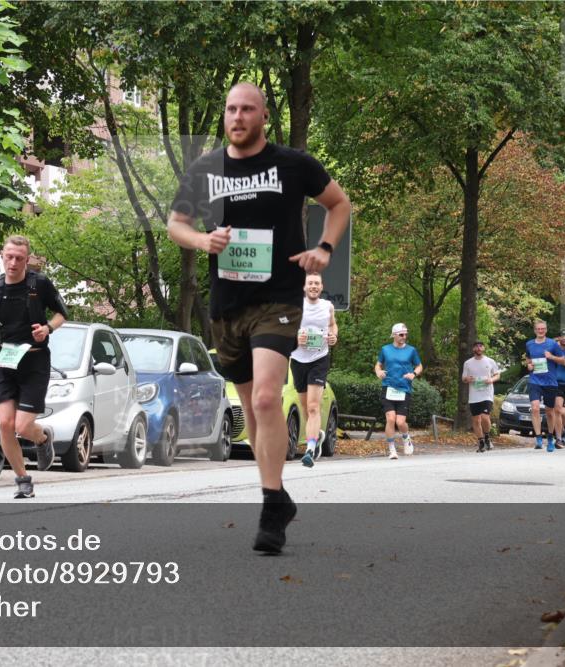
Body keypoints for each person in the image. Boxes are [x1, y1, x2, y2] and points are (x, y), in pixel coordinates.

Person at [167, 81, 351, 554]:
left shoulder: (294, 165)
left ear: (264, 117)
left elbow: (339, 204)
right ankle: (279, 495)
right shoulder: (206, 169)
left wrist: (325, 249)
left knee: (269, 399)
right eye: (231, 109)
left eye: (247, 109)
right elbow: (175, 224)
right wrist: (202, 242)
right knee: (250, 409)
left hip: (280, 298)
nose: (237, 116)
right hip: (228, 305)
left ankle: (271, 507)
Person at [0, 236, 68, 498]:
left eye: (19, 258)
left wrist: (48, 328)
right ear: (2, 257)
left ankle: (42, 439)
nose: (13, 262)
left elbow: (62, 313)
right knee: (4, 423)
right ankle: (23, 479)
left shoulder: (39, 284)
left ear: (27, 260)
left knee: (22, 427)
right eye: (9, 257)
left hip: (35, 361)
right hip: (6, 362)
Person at [288, 272, 337, 468]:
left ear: (321, 286)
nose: (314, 286)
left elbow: (333, 326)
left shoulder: (328, 307)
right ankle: (317, 435)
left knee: (313, 407)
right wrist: (295, 338)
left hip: (319, 358)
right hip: (299, 360)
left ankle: (309, 449)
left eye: (317, 283)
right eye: (310, 283)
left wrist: (333, 336)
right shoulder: (295, 306)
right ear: (304, 287)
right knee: (306, 408)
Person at [375, 323, 423, 460]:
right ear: (394, 335)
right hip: (388, 387)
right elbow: (378, 364)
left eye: (406, 334)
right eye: (401, 334)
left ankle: (406, 437)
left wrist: (414, 373)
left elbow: (419, 365)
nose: (404, 337)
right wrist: (378, 371)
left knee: (400, 422)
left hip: (404, 388)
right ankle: (392, 450)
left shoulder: (411, 350)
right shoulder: (385, 349)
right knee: (390, 419)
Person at [524, 320, 565, 452]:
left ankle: (550, 437)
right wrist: (529, 365)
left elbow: (563, 360)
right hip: (535, 380)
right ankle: (538, 438)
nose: (540, 331)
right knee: (535, 408)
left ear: (546, 330)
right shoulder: (529, 344)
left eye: (543, 328)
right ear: (535, 330)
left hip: (550, 382)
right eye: (538, 329)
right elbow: (528, 360)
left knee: (550, 412)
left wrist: (551, 357)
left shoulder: (552, 344)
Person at [462, 341, 501, 453]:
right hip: (474, 395)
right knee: (475, 420)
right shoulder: (468, 363)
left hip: (487, 394)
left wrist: (491, 380)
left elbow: (497, 374)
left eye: (480, 346)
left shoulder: (490, 361)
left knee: (484, 417)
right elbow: (463, 378)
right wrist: (467, 379)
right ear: (473, 349)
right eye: (476, 346)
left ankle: (487, 437)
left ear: (483, 348)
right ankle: (481, 441)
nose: (478, 348)